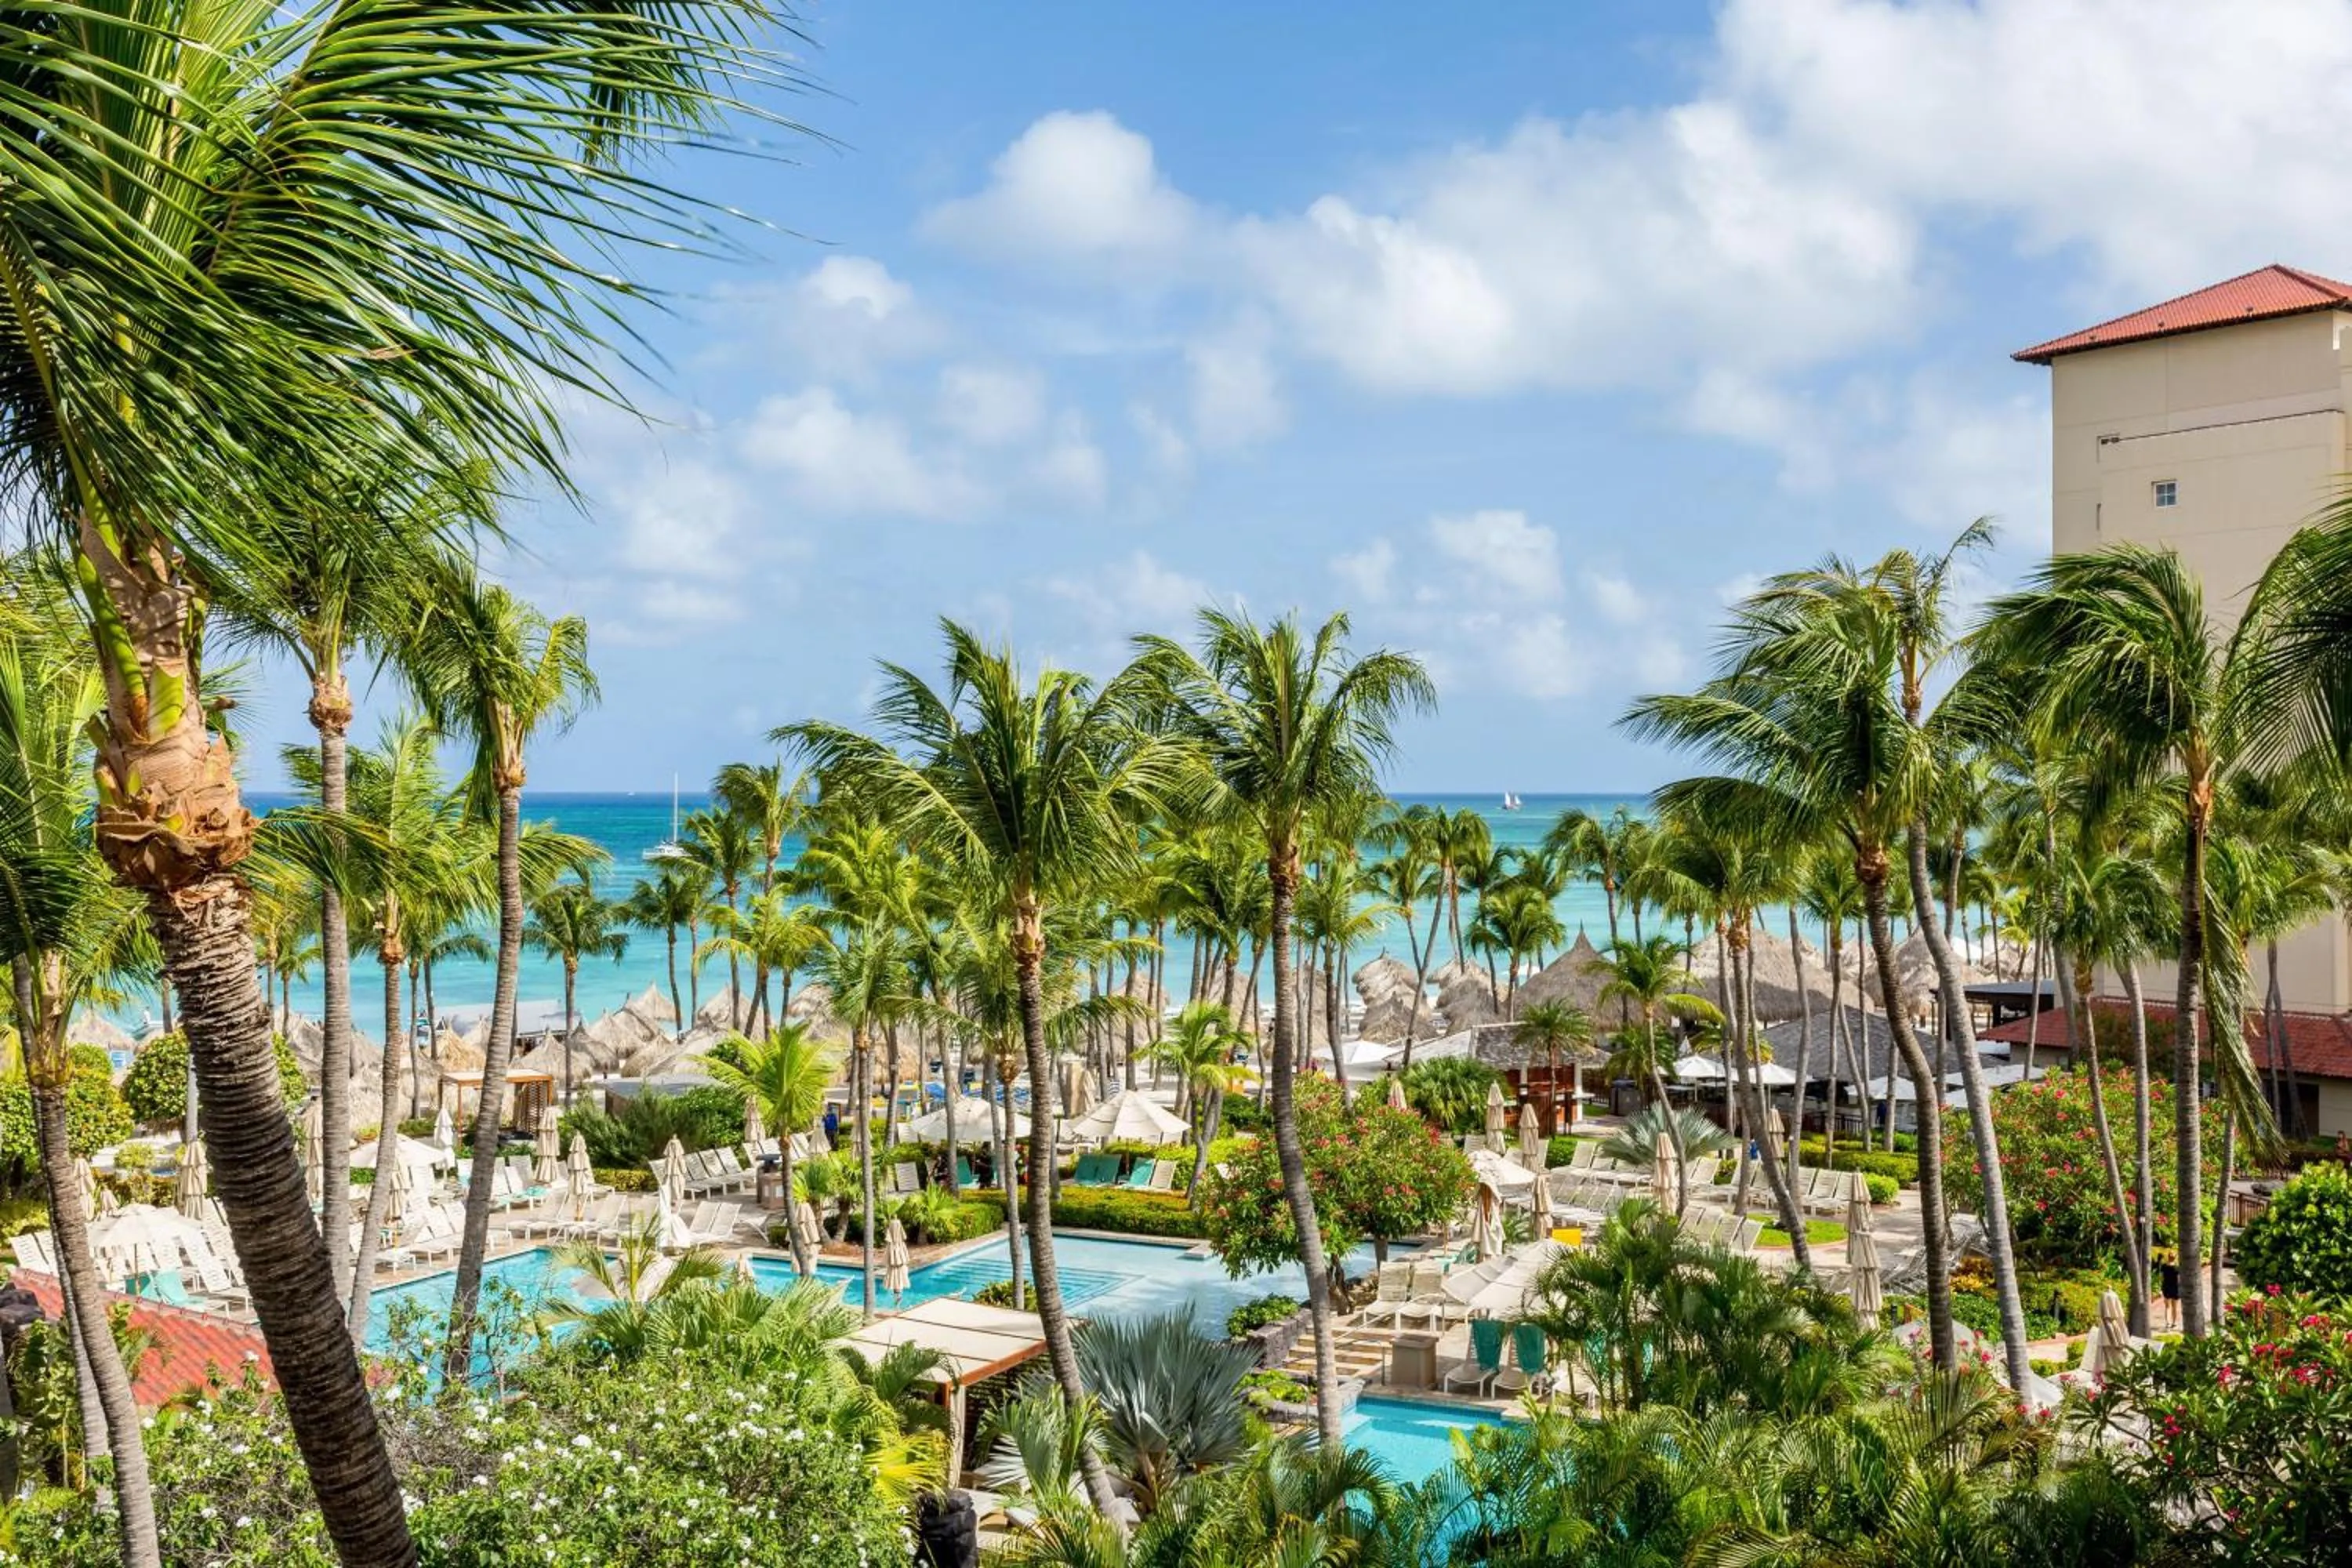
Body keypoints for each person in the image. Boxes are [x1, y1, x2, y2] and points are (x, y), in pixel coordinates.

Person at [2155, 1246, 2181, 1331]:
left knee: (2167, 1307)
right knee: (2175, 1307)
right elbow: (2179, 1279)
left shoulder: (2164, 1267)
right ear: (2175, 1258)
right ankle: (2174, 1323)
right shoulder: (2177, 1268)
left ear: (2168, 1257)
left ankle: (2168, 1323)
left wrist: (2160, 1287)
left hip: (2166, 1287)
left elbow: (2161, 1277)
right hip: (2175, 1288)